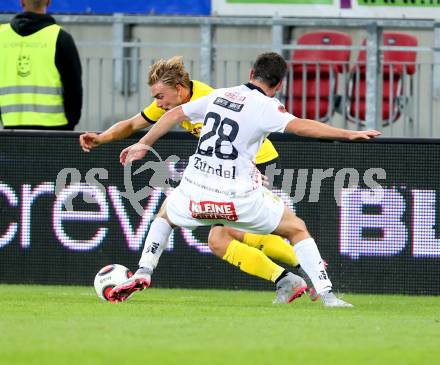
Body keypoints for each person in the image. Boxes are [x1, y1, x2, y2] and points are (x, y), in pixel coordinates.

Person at [111, 52, 381, 305]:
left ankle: (144, 270)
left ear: (251, 72)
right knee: (296, 229)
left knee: (165, 215)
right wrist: (348, 134)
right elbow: (302, 126)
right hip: (238, 195)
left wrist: (143, 144)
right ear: (278, 85)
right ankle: (327, 295)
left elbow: (174, 114)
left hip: (195, 189)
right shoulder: (267, 106)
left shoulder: (220, 94)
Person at [0, 0, 82, 130]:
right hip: (54, 131)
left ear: (21, 2)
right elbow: (74, 88)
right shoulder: (60, 37)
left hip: (11, 130)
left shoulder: (2, 36)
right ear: (48, 2)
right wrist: (70, 124)